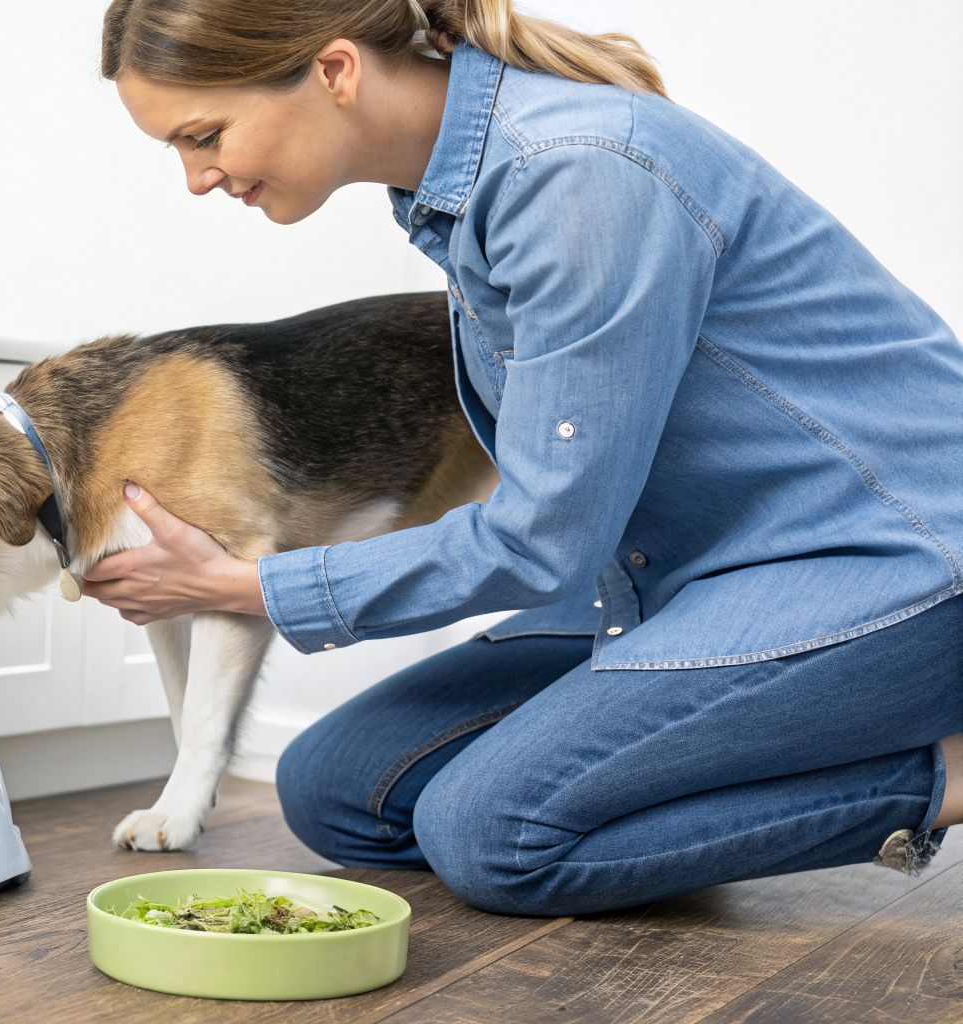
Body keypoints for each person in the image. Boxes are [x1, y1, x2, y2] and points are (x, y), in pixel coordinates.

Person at [79, 0, 963, 916]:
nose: (197, 177)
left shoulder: (573, 174)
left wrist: (249, 587)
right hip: (698, 572)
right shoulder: (462, 191)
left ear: (336, 71)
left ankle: (939, 776)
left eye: (204, 136)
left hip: (898, 567)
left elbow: (544, 542)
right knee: (339, 790)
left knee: (492, 837)